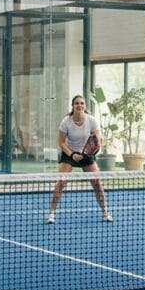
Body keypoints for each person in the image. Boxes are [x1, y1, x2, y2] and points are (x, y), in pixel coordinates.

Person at [46, 94, 112, 224]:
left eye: (82, 103)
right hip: (69, 153)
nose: (79, 105)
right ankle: (51, 213)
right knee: (61, 182)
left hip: (86, 154)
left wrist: (89, 152)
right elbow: (61, 142)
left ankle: (105, 212)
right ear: (72, 106)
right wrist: (72, 154)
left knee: (97, 183)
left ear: (85, 106)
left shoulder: (92, 121)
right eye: (77, 103)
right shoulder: (66, 121)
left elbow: (98, 141)